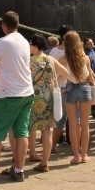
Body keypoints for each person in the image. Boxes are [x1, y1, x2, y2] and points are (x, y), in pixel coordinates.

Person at [0, 12, 33, 182]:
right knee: (22, 132)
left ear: (4, 25)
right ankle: (19, 170)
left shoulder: (1, 42)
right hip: (27, 92)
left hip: (8, 94)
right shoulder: (25, 42)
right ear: (17, 24)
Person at [57, 30, 95, 163]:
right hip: (84, 87)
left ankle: (75, 155)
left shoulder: (63, 58)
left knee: (73, 124)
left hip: (70, 88)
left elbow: (57, 73)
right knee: (85, 124)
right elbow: (89, 76)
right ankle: (84, 155)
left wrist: (57, 85)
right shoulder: (86, 57)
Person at [27, 34, 68, 171]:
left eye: (30, 44)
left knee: (31, 127)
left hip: (32, 96)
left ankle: (32, 153)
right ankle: (45, 162)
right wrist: (56, 85)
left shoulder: (29, 61)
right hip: (48, 97)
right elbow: (65, 73)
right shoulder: (50, 59)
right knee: (47, 130)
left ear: (35, 46)